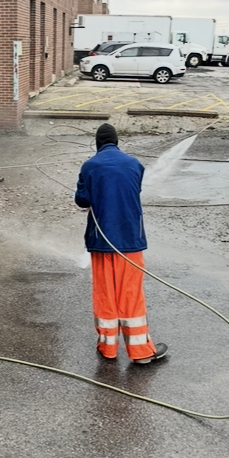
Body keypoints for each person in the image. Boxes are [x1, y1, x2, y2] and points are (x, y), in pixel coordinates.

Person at [74, 123, 168, 365]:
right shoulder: (134, 164)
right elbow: (132, 190)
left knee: (105, 294)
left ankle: (108, 348)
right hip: (130, 241)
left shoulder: (89, 166)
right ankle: (141, 353)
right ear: (117, 142)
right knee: (130, 294)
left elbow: (82, 201)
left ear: (97, 143)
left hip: (100, 241)